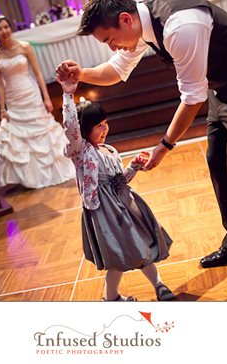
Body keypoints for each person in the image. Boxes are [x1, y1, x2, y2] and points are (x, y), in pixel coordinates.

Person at [55, 0, 227, 301]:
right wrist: (81, 75)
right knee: (218, 163)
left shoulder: (180, 26)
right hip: (222, 89)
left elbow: (192, 98)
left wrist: (164, 145)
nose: (111, 47)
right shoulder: (139, 24)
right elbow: (116, 70)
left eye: (109, 39)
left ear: (125, 20)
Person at [59, 74, 175, 301]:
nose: (104, 129)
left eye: (105, 124)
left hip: (127, 206)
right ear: (82, 130)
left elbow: (120, 181)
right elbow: (70, 126)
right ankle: (111, 298)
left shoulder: (109, 150)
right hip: (105, 213)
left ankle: (159, 284)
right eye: (97, 126)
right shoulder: (80, 151)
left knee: (144, 245)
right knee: (119, 257)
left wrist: (132, 166)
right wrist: (67, 94)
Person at [0, 15, 74, 189]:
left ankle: (56, 170)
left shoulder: (25, 47)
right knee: (19, 135)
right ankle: (29, 177)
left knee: (42, 131)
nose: (4, 31)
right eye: (0, 29)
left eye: (6, 27)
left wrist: (46, 98)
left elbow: (38, 73)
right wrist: (2, 108)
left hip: (30, 93)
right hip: (13, 96)